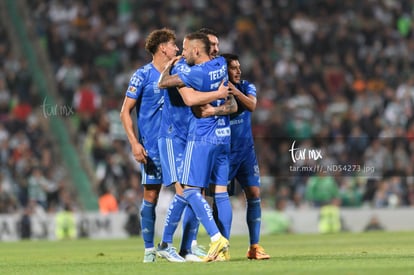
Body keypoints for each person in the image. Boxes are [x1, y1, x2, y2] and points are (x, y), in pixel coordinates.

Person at [157, 29, 236, 262]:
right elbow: (223, 102)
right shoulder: (216, 65)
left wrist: (213, 106)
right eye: (213, 44)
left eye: (217, 45)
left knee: (192, 192)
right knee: (200, 192)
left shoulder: (199, 70)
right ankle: (180, 245)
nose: (216, 49)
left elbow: (187, 95)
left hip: (199, 136)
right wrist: (217, 95)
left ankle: (200, 243)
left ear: (195, 49)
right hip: (200, 136)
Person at [198, 53, 270, 260]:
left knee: (254, 194)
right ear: (224, 70)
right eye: (234, 67)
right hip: (224, 152)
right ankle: (222, 247)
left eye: (239, 67)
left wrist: (235, 91)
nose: (239, 70)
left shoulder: (247, 87)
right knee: (219, 198)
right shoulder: (215, 91)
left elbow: (252, 105)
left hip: (246, 153)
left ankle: (254, 246)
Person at [119, 28, 179, 263]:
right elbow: (125, 111)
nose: (177, 48)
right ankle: (149, 251)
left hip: (177, 144)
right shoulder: (142, 75)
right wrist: (134, 143)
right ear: (163, 47)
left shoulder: (179, 71)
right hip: (152, 147)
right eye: (174, 44)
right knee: (151, 195)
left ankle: (179, 245)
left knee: (191, 191)